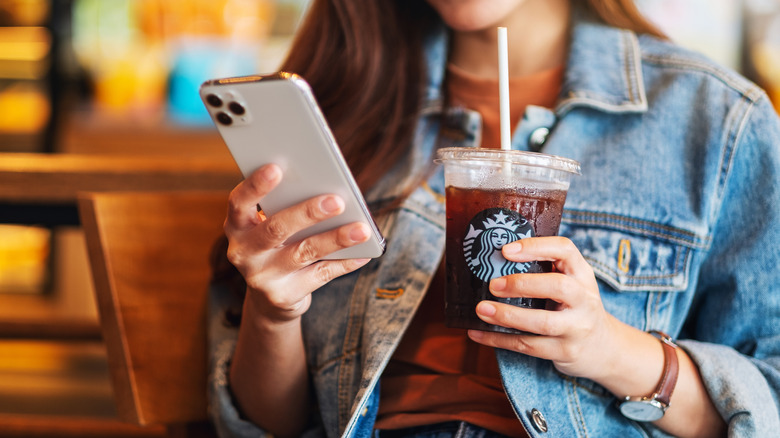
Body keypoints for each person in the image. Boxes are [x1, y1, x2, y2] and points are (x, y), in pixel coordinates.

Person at [207, 0, 780, 437]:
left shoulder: (718, 119)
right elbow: (268, 425)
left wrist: (609, 350)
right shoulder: (345, 103)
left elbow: (767, 401)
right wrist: (274, 311)